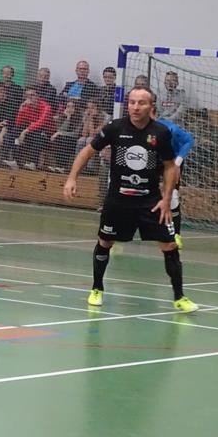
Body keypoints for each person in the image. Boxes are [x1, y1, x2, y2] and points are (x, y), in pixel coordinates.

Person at [63, 86, 198, 313]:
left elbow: (169, 167)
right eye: (132, 102)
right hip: (118, 200)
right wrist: (71, 178)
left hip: (150, 200)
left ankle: (180, 297)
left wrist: (167, 198)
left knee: (170, 245)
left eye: (141, 103)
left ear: (151, 107)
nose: (136, 107)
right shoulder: (115, 128)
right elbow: (87, 151)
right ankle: (97, 288)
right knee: (105, 242)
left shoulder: (161, 132)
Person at [152, 102, 193, 249]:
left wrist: (178, 161)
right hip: (151, 162)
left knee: (173, 196)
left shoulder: (170, 128)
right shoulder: (135, 127)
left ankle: (175, 235)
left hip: (171, 162)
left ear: (154, 114)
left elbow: (189, 140)